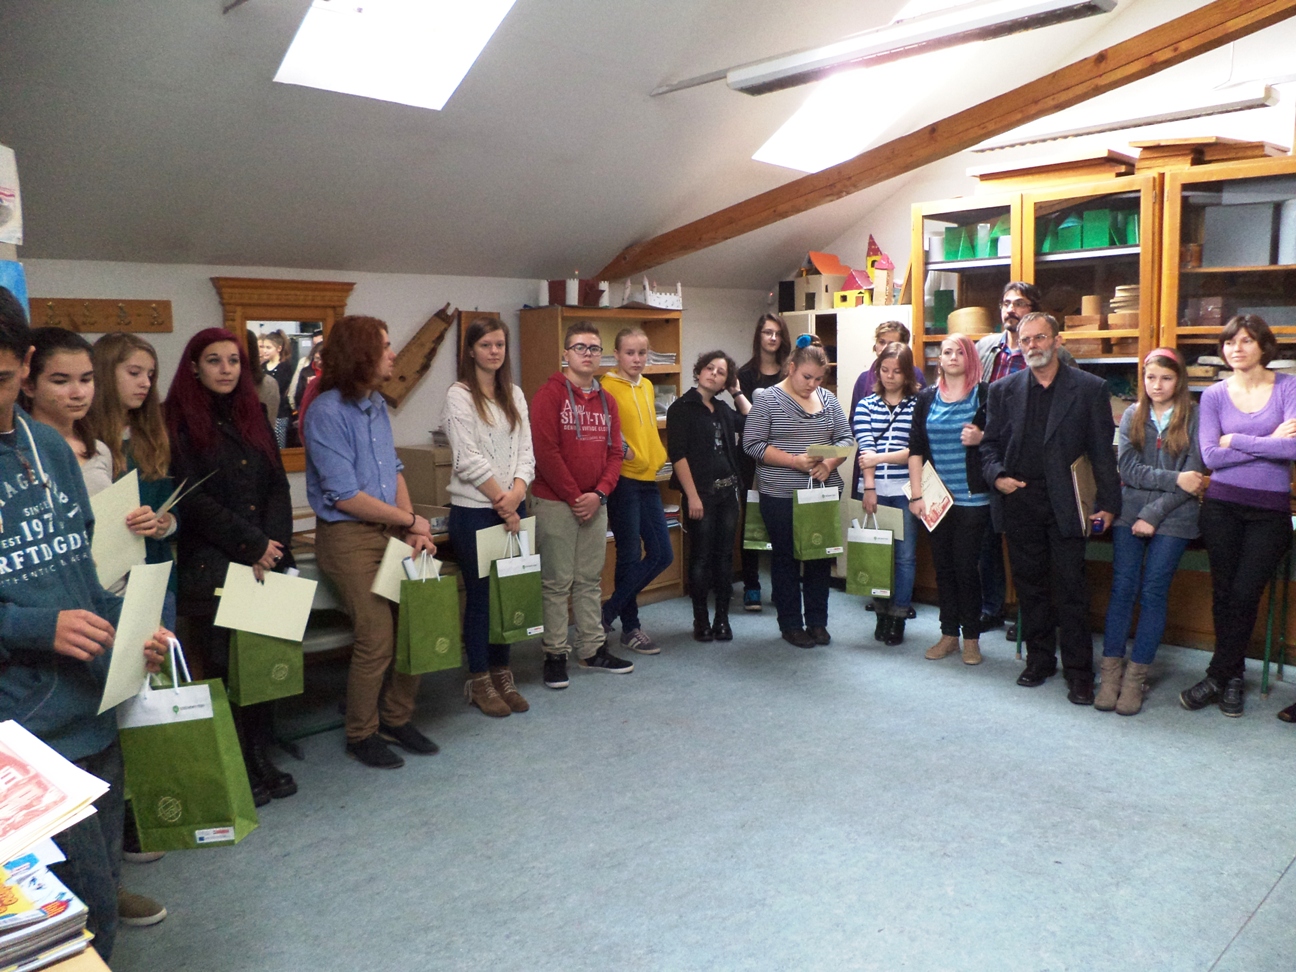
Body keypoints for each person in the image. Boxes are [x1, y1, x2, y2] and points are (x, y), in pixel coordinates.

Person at [0, 287, 171, 963]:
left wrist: (133, 632)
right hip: (23, 728)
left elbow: (86, 576)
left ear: (24, 364)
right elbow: (45, 613)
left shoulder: (48, 446)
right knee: (65, 915)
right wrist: (35, 627)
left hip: (94, 705)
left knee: (100, 898)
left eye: (2, 380)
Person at [166, 327, 301, 802]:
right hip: (214, 562)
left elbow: (277, 485)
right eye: (214, 360)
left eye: (233, 361)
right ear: (194, 367)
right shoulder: (177, 420)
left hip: (266, 560)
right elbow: (192, 499)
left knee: (262, 663)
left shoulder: (255, 413)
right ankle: (237, 763)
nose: (225, 369)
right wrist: (252, 546)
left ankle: (261, 755)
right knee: (224, 666)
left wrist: (274, 547)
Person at [303, 316, 440, 766]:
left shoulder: (376, 404)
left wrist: (413, 526)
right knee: (376, 635)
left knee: (415, 623)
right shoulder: (326, 413)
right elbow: (346, 496)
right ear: (360, 354)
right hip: (348, 538)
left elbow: (393, 470)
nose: (392, 354)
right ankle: (361, 733)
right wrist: (410, 519)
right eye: (384, 346)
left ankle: (396, 718)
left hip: (391, 528)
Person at [980, 312, 1120, 705]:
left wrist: (1109, 504)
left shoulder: (1089, 389)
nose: (1032, 346)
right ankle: (1040, 661)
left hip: (1068, 503)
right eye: (1025, 340)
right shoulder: (1003, 390)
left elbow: (1101, 453)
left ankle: (1079, 673)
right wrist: (997, 477)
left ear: (1057, 341)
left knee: (1071, 590)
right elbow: (988, 447)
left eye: (1040, 338)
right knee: (1030, 588)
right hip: (1020, 501)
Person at [1180, 315, 1296, 718]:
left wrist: (1237, 440)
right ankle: (1232, 679)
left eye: (1246, 341)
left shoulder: (1288, 387)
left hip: (1270, 511)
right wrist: (1268, 441)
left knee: (1245, 594)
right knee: (1225, 593)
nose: (1236, 349)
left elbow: (1293, 449)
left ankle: (1217, 675)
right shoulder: (1213, 395)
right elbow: (1212, 457)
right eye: (1230, 342)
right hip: (1221, 507)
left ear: (1264, 346)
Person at [1098, 349, 1203, 716]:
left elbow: (1194, 481)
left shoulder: (1195, 417)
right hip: (1130, 513)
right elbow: (1128, 470)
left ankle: (1135, 678)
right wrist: (1175, 479)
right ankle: (1110, 674)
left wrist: (1153, 513)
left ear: (1179, 381)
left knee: (1153, 591)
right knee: (1123, 588)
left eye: (1166, 378)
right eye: (1151, 378)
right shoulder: (1132, 414)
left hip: (1175, 516)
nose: (1157, 385)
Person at [530, 321, 633, 689]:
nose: (587, 354)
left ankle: (591, 650)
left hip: (595, 502)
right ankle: (555, 655)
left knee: (589, 580)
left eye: (594, 348)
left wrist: (600, 494)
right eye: (580, 347)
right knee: (557, 583)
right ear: (565, 353)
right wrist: (577, 497)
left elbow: (615, 452)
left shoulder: (608, 400)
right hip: (555, 503)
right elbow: (545, 453)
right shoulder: (548, 396)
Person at [442, 316, 534, 718]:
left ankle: (502, 673)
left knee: (507, 594)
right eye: (486, 345)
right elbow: (467, 459)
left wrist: (516, 495)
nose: (494, 351)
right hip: (475, 512)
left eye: (499, 345)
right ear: (471, 351)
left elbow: (527, 453)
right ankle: (479, 679)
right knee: (481, 599)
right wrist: (503, 500)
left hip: (512, 507)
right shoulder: (459, 395)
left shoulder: (514, 393)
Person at [974, 283, 1077, 638]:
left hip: (1037, 463)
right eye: (1005, 303)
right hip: (992, 457)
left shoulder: (1059, 356)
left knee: (1036, 551)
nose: (1010, 309)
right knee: (990, 537)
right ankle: (992, 607)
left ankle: (1030, 619)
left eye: (1019, 303)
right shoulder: (986, 348)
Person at [743, 341, 852, 649]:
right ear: (791, 368)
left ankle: (817, 622)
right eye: (806, 377)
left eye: (818, 378)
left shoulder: (828, 399)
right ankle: (791, 624)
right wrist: (794, 461)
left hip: (820, 494)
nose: (812, 384)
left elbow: (846, 439)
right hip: (780, 494)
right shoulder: (768, 399)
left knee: (820, 557)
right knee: (786, 558)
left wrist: (828, 463)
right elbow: (752, 444)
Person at [86, 332, 179, 630]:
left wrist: (164, 524)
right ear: (104, 373)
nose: (146, 383)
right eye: (134, 373)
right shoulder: (82, 440)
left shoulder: (151, 435)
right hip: (104, 581)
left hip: (154, 576)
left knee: (159, 658)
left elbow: (171, 506)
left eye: (150, 375)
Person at [907, 335, 990, 664]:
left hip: (973, 498)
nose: (953, 357)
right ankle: (948, 635)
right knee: (943, 568)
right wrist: (917, 495)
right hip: (936, 500)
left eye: (960, 352)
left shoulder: (984, 395)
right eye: (947, 352)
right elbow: (915, 449)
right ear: (939, 359)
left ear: (970, 358)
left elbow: (1005, 440)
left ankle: (971, 639)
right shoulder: (926, 398)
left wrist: (982, 437)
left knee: (966, 568)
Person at [667, 351, 750, 641]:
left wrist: (736, 392)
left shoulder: (722, 408)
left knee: (724, 557)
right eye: (709, 368)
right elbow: (677, 455)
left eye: (721, 372)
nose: (714, 373)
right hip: (700, 494)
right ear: (699, 371)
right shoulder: (681, 408)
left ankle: (722, 619)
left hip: (728, 493)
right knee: (701, 557)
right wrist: (692, 497)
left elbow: (752, 420)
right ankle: (700, 619)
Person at [600, 327, 673, 654]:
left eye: (642, 353)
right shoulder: (606, 388)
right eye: (630, 353)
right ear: (616, 354)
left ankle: (607, 612)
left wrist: (655, 458)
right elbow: (606, 432)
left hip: (648, 479)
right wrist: (625, 449)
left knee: (662, 554)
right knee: (629, 555)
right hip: (623, 480)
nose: (637, 359)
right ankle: (631, 628)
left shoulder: (646, 385)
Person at [854, 341, 919, 646]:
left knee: (905, 557)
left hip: (906, 490)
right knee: (875, 553)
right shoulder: (866, 405)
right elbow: (865, 449)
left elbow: (915, 451)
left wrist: (879, 458)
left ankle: (898, 616)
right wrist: (869, 487)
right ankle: (881, 614)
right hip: (873, 490)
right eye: (885, 370)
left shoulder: (918, 404)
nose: (890, 376)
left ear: (907, 374)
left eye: (897, 371)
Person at [737, 313, 791, 612]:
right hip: (752, 457)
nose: (772, 338)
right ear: (758, 335)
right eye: (767, 332)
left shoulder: (790, 372)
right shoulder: (745, 374)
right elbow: (746, 419)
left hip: (786, 456)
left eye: (777, 333)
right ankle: (752, 586)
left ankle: (783, 585)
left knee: (783, 523)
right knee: (752, 520)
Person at [847, 320, 925, 501]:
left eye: (891, 343)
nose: (884, 348)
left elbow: (919, 439)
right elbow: (854, 423)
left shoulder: (916, 378)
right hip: (871, 468)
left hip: (906, 477)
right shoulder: (863, 381)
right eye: (881, 342)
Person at [259, 330, 293, 447]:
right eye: (263, 347)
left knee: (278, 445)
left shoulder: (284, 367)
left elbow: (280, 388)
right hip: (263, 412)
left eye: (268, 347)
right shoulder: (262, 366)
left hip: (280, 412)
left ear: (279, 348)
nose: (264, 350)